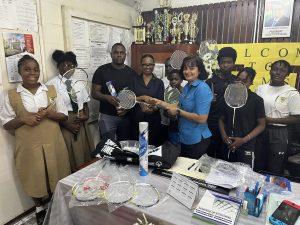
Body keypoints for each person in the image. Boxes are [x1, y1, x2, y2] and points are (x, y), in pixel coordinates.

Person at [0, 55, 70, 225]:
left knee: (56, 171)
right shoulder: (10, 95)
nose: (32, 73)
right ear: (19, 72)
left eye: (36, 69)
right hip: (28, 144)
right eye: (27, 69)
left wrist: (48, 113)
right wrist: (24, 119)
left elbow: (63, 115)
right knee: (33, 175)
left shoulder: (51, 90)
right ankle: (39, 208)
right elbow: (6, 124)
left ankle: (56, 203)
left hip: (53, 141)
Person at [150, 55, 213, 159]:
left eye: (192, 68)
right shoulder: (187, 86)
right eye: (185, 68)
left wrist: (178, 112)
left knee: (191, 171)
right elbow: (177, 106)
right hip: (185, 137)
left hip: (197, 139)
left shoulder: (202, 89)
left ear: (200, 70)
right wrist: (159, 102)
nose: (187, 71)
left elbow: (202, 118)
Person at [47, 50, 93, 172]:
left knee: (84, 152)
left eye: (71, 65)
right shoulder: (51, 85)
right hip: (64, 122)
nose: (67, 67)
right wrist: (65, 124)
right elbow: (50, 110)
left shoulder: (79, 84)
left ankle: (85, 179)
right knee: (70, 154)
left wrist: (86, 116)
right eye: (64, 64)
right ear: (58, 66)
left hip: (80, 121)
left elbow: (86, 104)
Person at [256, 60, 300, 174]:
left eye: (282, 70)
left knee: (275, 167)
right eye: (275, 69)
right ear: (270, 71)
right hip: (260, 130)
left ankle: (272, 191)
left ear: (287, 74)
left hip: (280, 132)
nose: (278, 72)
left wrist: (269, 120)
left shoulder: (292, 93)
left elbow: (297, 118)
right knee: (258, 164)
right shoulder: (260, 88)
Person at [218, 68, 266, 168]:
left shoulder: (256, 100)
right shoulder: (227, 97)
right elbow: (221, 119)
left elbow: (261, 125)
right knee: (223, 176)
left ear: (251, 83)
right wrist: (224, 136)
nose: (240, 82)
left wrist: (243, 140)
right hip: (227, 145)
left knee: (243, 180)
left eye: (244, 81)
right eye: (238, 79)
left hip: (245, 147)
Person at [91, 43, 138, 141]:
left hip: (126, 116)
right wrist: (107, 98)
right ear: (111, 54)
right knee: (107, 146)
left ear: (125, 54)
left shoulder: (132, 73)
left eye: (121, 53)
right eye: (116, 52)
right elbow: (94, 93)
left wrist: (127, 109)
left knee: (125, 146)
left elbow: (135, 97)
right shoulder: (101, 70)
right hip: (107, 116)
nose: (119, 55)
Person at [206, 47, 237, 160]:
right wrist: (209, 100)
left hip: (229, 125)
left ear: (234, 63)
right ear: (218, 63)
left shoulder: (237, 81)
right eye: (223, 62)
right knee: (209, 155)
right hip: (211, 124)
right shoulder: (210, 82)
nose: (225, 65)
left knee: (225, 156)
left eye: (229, 62)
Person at [130, 54, 165, 146]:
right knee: (137, 149)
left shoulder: (159, 83)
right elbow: (128, 99)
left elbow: (160, 102)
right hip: (136, 120)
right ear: (141, 65)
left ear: (153, 65)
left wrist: (152, 109)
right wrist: (142, 97)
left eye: (150, 64)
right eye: (145, 64)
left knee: (152, 149)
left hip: (153, 121)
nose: (147, 67)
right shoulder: (134, 80)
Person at [166, 69, 183, 145]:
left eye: (176, 79)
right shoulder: (168, 93)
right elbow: (164, 111)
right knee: (175, 149)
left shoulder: (185, 92)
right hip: (173, 127)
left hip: (184, 127)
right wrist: (168, 113)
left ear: (181, 80)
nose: (173, 81)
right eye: (171, 79)